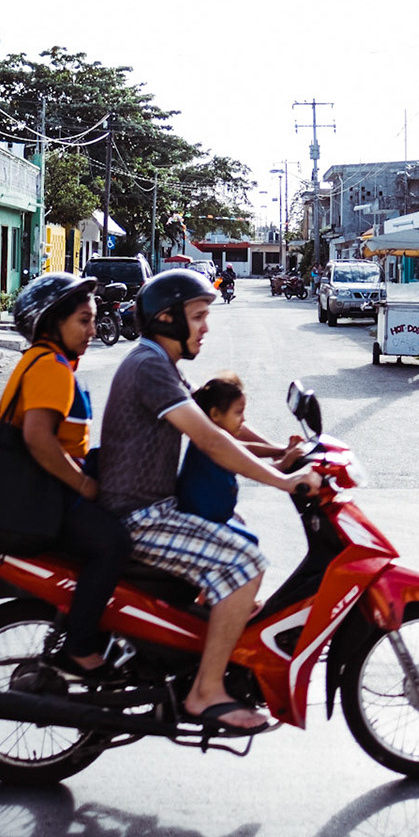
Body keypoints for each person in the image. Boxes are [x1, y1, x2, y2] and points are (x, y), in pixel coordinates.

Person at [98, 269, 311, 735]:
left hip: (153, 507)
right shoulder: (150, 366)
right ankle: (206, 691)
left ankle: (207, 644)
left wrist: (281, 452)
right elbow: (211, 440)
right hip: (141, 516)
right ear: (167, 319)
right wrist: (284, 481)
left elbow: (219, 424)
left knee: (239, 538)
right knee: (246, 565)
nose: (206, 327)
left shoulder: (160, 363)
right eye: (197, 317)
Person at [1, 272, 132, 681]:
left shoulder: (43, 361)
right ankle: (80, 645)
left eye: (93, 320)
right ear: (53, 323)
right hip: (46, 498)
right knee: (115, 543)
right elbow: (39, 439)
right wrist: (85, 484)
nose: (93, 330)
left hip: (41, 491)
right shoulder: (51, 368)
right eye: (83, 320)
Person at [174, 374, 255, 541]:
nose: (244, 419)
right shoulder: (212, 445)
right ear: (215, 414)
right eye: (238, 413)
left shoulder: (213, 441)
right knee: (249, 542)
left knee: (242, 526)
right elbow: (247, 462)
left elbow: (244, 450)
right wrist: (283, 465)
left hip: (214, 516)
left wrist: (281, 451)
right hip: (200, 521)